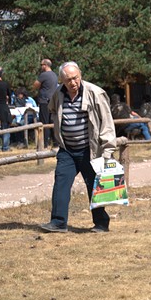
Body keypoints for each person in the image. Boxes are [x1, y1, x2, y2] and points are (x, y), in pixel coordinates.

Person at [40, 62, 120, 234]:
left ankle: (101, 224)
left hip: (89, 150)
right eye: (68, 79)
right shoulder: (58, 93)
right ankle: (58, 223)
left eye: (75, 78)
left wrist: (107, 151)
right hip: (67, 149)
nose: (73, 82)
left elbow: (106, 122)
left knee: (94, 187)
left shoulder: (95, 93)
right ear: (62, 80)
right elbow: (52, 110)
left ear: (80, 75)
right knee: (60, 184)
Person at [33, 58, 59, 148]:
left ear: (45, 65)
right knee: (52, 122)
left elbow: (35, 85)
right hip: (52, 101)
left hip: (44, 101)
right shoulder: (54, 75)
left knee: (44, 122)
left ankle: (44, 143)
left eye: (41, 65)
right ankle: (55, 142)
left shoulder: (44, 75)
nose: (41, 67)